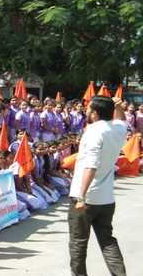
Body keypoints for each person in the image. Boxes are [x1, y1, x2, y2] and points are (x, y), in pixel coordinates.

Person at [69, 96, 127, 276]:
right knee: (107, 241)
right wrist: (118, 107)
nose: (86, 111)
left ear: (94, 114)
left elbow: (91, 166)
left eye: (88, 109)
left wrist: (81, 196)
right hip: (106, 198)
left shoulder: (94, 131)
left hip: (86, 198)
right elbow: (122, 119)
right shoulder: (118, 129)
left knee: (78, 243)